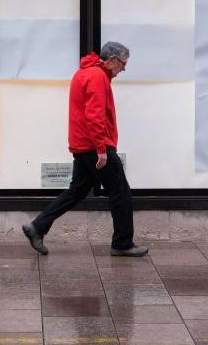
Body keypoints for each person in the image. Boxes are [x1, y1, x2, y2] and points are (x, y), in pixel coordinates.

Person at [22, 42, 148, 257]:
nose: (124, 69)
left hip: (82, 144)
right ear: (111, 60)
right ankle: (122, 243)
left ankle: (38, 226)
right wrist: (101, 148)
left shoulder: (84, 73)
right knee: (121, 192)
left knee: (77, 191)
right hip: (94, 145)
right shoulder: (97, 77)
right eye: (123, 64)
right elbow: (94, 114)